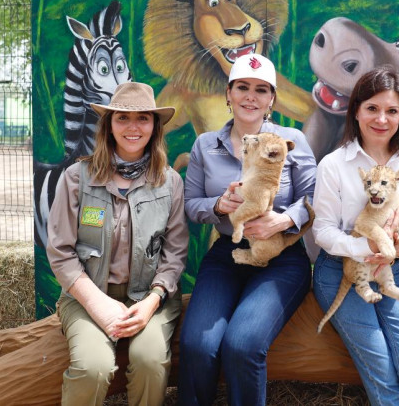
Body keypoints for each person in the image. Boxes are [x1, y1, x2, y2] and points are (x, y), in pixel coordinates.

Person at [178, 54, 317, 406]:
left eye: (260, 90)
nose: (250, 96)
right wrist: (217, 206)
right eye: (243, 87)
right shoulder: (205, 145)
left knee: (242, 344)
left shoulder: (291, 140)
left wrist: (284, 220)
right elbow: (191, 204)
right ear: (229, 93)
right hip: (227, 252)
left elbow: (317, 198)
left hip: (282, 257)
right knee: (197, 343)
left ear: (271, 98)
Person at [46, 82, 188, 406]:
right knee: (92, 368)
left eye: (143, 118)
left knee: (151, 362)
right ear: (109, 125)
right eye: (123, 118)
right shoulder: (77, 178)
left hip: (149, 297)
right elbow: (60, 252)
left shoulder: (170, 183)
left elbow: (175, 254)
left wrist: (152, 301)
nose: (133, 127)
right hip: (87, 294)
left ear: (155, 126)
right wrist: (98, 304)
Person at [311, 65, 399, 405]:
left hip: (394, 271)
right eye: (372, 108)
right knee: (381, 369)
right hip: (342, 271)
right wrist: (363, 245)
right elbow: (322, 229)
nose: (382, 119)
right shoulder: (335, 164)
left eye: (392, 110)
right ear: (356, 111)